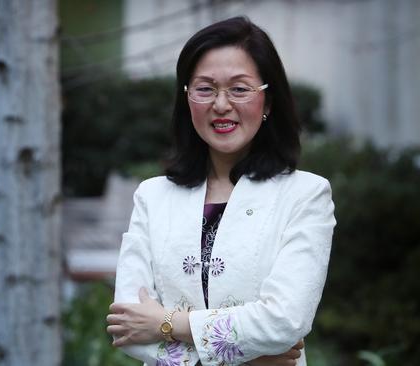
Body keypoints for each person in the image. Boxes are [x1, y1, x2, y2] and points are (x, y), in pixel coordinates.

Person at [106, 16, 335, 366]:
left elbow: (285, 321)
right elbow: (128, 326)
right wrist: (252, 356)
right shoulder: (152, 197)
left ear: (268, 102)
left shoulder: (305, 195)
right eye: (205, 88)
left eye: (240, 89)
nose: (222, 104)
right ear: (187, 99)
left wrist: (166, 324)